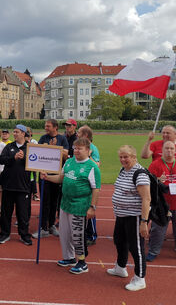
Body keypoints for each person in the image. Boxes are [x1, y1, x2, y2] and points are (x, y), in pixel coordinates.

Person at [41, 138, 100, 275]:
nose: (77, 150)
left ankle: (82, 262)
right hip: (65, 204)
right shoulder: (69, 162)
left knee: (77, 235)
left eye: (80, 148)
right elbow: (61, 177)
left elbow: (96, 189)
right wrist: (47, 177)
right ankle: (69, 258)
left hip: (80, 206)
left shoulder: (92, 167)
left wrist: (92, 207)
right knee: (65, 234)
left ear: (88, 150)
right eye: (75, 148)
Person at [107, 145, 150, 291]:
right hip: (121, 215)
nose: (123, 160)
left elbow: (146, 199)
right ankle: (120, 267)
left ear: (133, 157)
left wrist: (144, 222)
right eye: (121, 157)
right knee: (119, 240)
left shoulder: (140, 173)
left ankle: (140, 278)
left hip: (135, 216)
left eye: (126, 157)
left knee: (136, 247)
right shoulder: (123, 170)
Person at [33, 119, 69, 239]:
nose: (46, 127)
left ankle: (52, 225)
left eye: (48, 126)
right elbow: (37, 152)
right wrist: (48, 147)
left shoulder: (62, 139)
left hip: (56, 175)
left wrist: (54, 148)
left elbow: (66, 154)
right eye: (45, 126)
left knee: (54, 201)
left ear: (55, 127)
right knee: (45, 201)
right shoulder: (43, 138)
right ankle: (43, 227)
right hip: (44, 174)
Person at [0, 124, 32, 246]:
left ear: (23, 133)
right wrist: (14, 157)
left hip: (23, 186)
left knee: (22, 213)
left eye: (17, 132)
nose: (14, 134)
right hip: (8, 185)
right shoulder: (9, 146)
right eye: (14, 132)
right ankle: (4, 234)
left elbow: (35, 162)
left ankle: (24, 235)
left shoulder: (30, 147)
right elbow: (2, 160)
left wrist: (24, 158)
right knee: (6, 212)